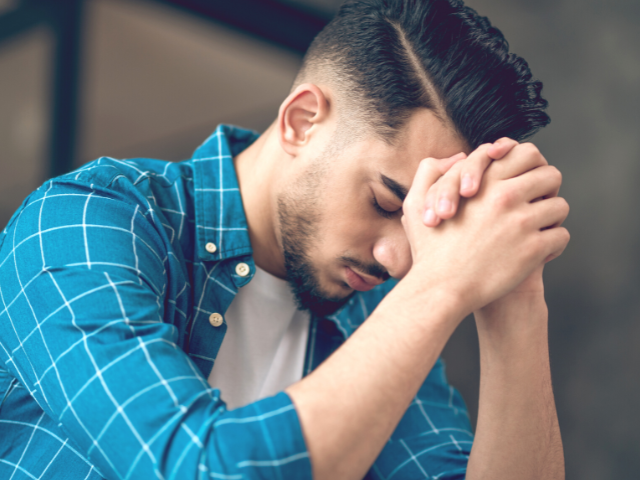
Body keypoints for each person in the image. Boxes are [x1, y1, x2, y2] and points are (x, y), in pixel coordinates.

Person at [0, 0, 569, 479]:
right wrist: (441, 289)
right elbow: (201, 467)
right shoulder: (81, 224)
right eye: (386, 202)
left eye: (427, 223)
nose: (400, 262)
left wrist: (517, 299)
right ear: (302, 121)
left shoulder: (371, 317)